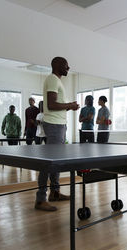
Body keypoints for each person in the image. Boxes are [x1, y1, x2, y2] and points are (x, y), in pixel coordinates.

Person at [35, 57, 80, 211]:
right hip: (54, 125)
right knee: (48, 163)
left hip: (59, 125)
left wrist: (70, 107)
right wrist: (69, 105)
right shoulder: (53, 79)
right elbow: (51, 104)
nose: (68, 67)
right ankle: (40, 199)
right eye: (65, 65)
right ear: (57, 65)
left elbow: (56, 106)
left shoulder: (57, 81)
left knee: (55, 162)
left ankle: (55, 192)